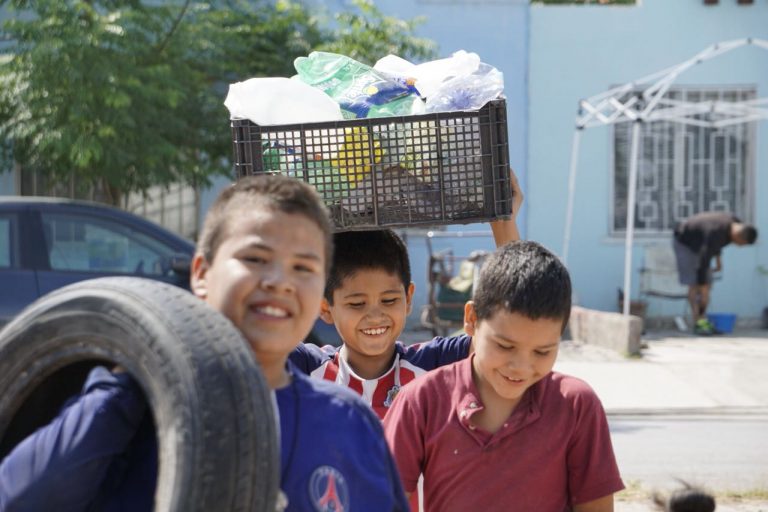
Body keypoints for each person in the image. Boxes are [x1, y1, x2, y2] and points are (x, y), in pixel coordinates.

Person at [0, 175, 409, 512]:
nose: (280, 280)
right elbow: (20, 499)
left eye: (303, 266)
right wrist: (128, 383)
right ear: (201, 273)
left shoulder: (350, 421)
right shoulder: (134, 403)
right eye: (255, 258)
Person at [382, 241, 625, 511]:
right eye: (505, 346)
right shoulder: (422, 400)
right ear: (471, 319)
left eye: (542, 351)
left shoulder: (576, 405)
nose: (521, 367)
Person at [289, 169, 523, 419]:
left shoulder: (433, 364)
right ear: (325, 307)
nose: (375, 315)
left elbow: (513, 331)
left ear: (408, 298)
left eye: (389, 300)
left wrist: (504, 226)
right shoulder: (307, 368)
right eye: (357, 304)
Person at [672, 211, 758, 335]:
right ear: (738, 236)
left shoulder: (734, 223)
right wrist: (703, 283)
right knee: (695, 284)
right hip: (685, 242)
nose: (738, 246)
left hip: (702, 243)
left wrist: (718, 262)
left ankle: (703, 320)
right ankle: (699, 322)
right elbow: (704, 258)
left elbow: (717, 245)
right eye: (740, 244)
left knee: (706, 286)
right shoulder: (714, 232)